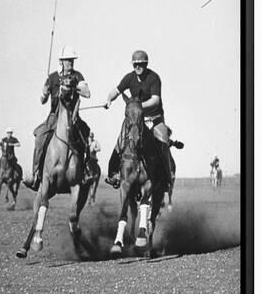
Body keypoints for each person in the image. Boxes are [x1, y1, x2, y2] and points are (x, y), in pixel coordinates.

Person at [104, 50, 175, 190]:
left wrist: (137, 106)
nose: (137, 67)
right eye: (135, 64)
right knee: (121, 141)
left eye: (140, 64)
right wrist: (109, 100)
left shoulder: (154, 78)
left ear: (146, 64)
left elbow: (155, 100)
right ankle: (114, 174)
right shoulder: (129, 78)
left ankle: (167, 177)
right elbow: (116, 91)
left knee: (163, 141)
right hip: (136, 119)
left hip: (154, 119)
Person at [23, 45, 91, 191]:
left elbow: (87, 93)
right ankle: (35, 174)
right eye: (67, 60)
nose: (70, 63)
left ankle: (85, 172)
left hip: (73, 117)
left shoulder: (78, 76)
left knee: (86, 134)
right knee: (40, 138)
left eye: (72, 60)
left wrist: (73, 86)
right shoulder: (53, 77)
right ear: (61, 61)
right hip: (54, 117)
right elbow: (42, 100)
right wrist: (44, 92)